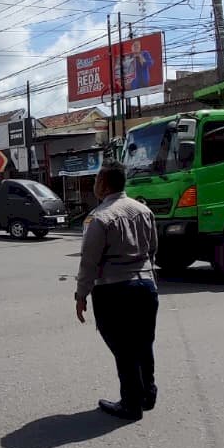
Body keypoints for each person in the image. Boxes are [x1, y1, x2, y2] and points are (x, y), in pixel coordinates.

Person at [75, 161, 159, 421]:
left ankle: (131, 404)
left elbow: (88, 261)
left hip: (114, 291)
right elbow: (153, 248)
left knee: (123, 349)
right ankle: (147, 392)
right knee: (144, 343)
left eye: (96, 179)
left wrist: (81, 295)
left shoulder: (98, 217)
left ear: (103, 183)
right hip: (146, 286)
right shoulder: (144, 210)